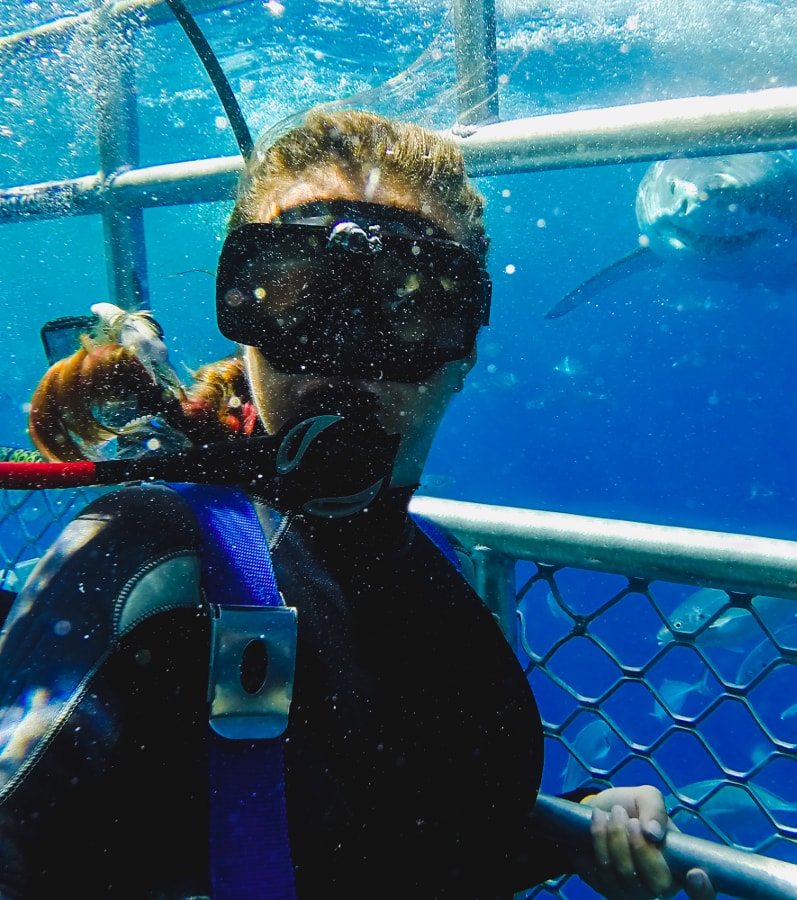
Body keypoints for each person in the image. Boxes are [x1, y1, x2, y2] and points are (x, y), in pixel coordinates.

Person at [0, 109, 715, 899]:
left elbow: (386, 839)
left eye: (408, 307)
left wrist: (571, 832)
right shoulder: (152, 557)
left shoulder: (442, 565)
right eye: (298, 300)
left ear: (464, 352)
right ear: (242, 326)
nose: (344, 353)